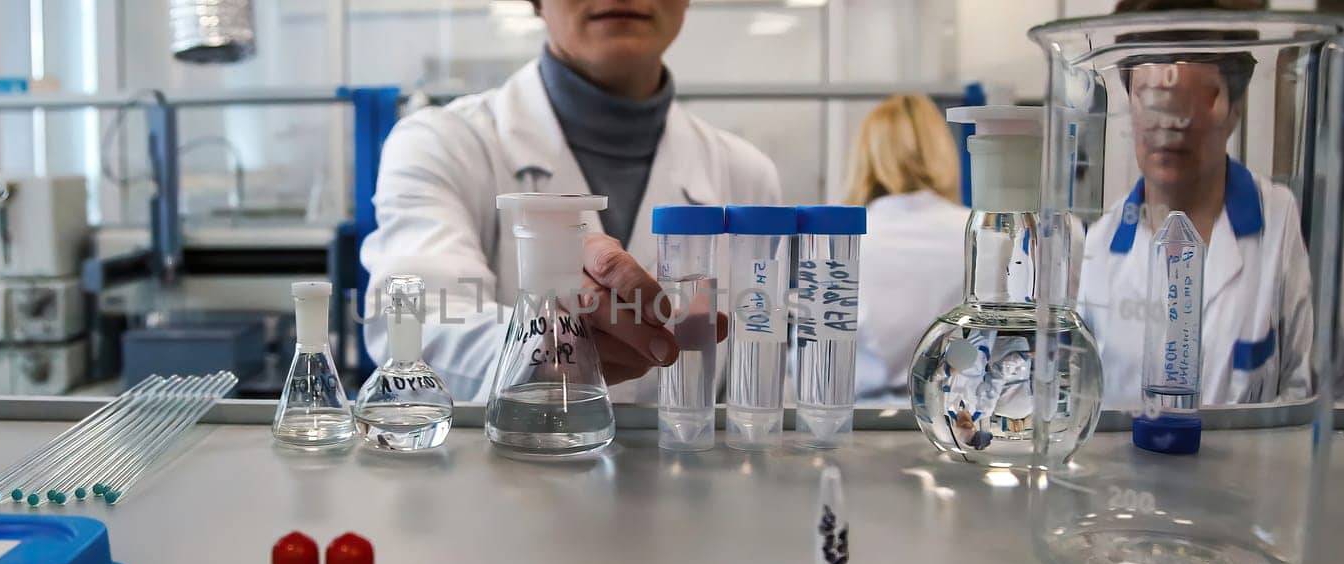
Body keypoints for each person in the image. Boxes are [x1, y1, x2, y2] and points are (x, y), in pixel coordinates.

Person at [361, 0, 781, 402]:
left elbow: (764, 376)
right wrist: (545, 345)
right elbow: (415, 322)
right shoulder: (443, 144)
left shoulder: (747, 175)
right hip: (507, 471)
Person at [1079, 0, 1344, 408]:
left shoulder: (1326, 227)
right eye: (1151, 99)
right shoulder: (1096, 246)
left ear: (1234, 109)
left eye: (1193, 101)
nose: (1168, 124)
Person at [839, 95, 968, 397]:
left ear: (866, 156)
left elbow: (812, 358)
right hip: (958, 419)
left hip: (857, 421)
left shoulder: (844, 240)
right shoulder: (981, 233)